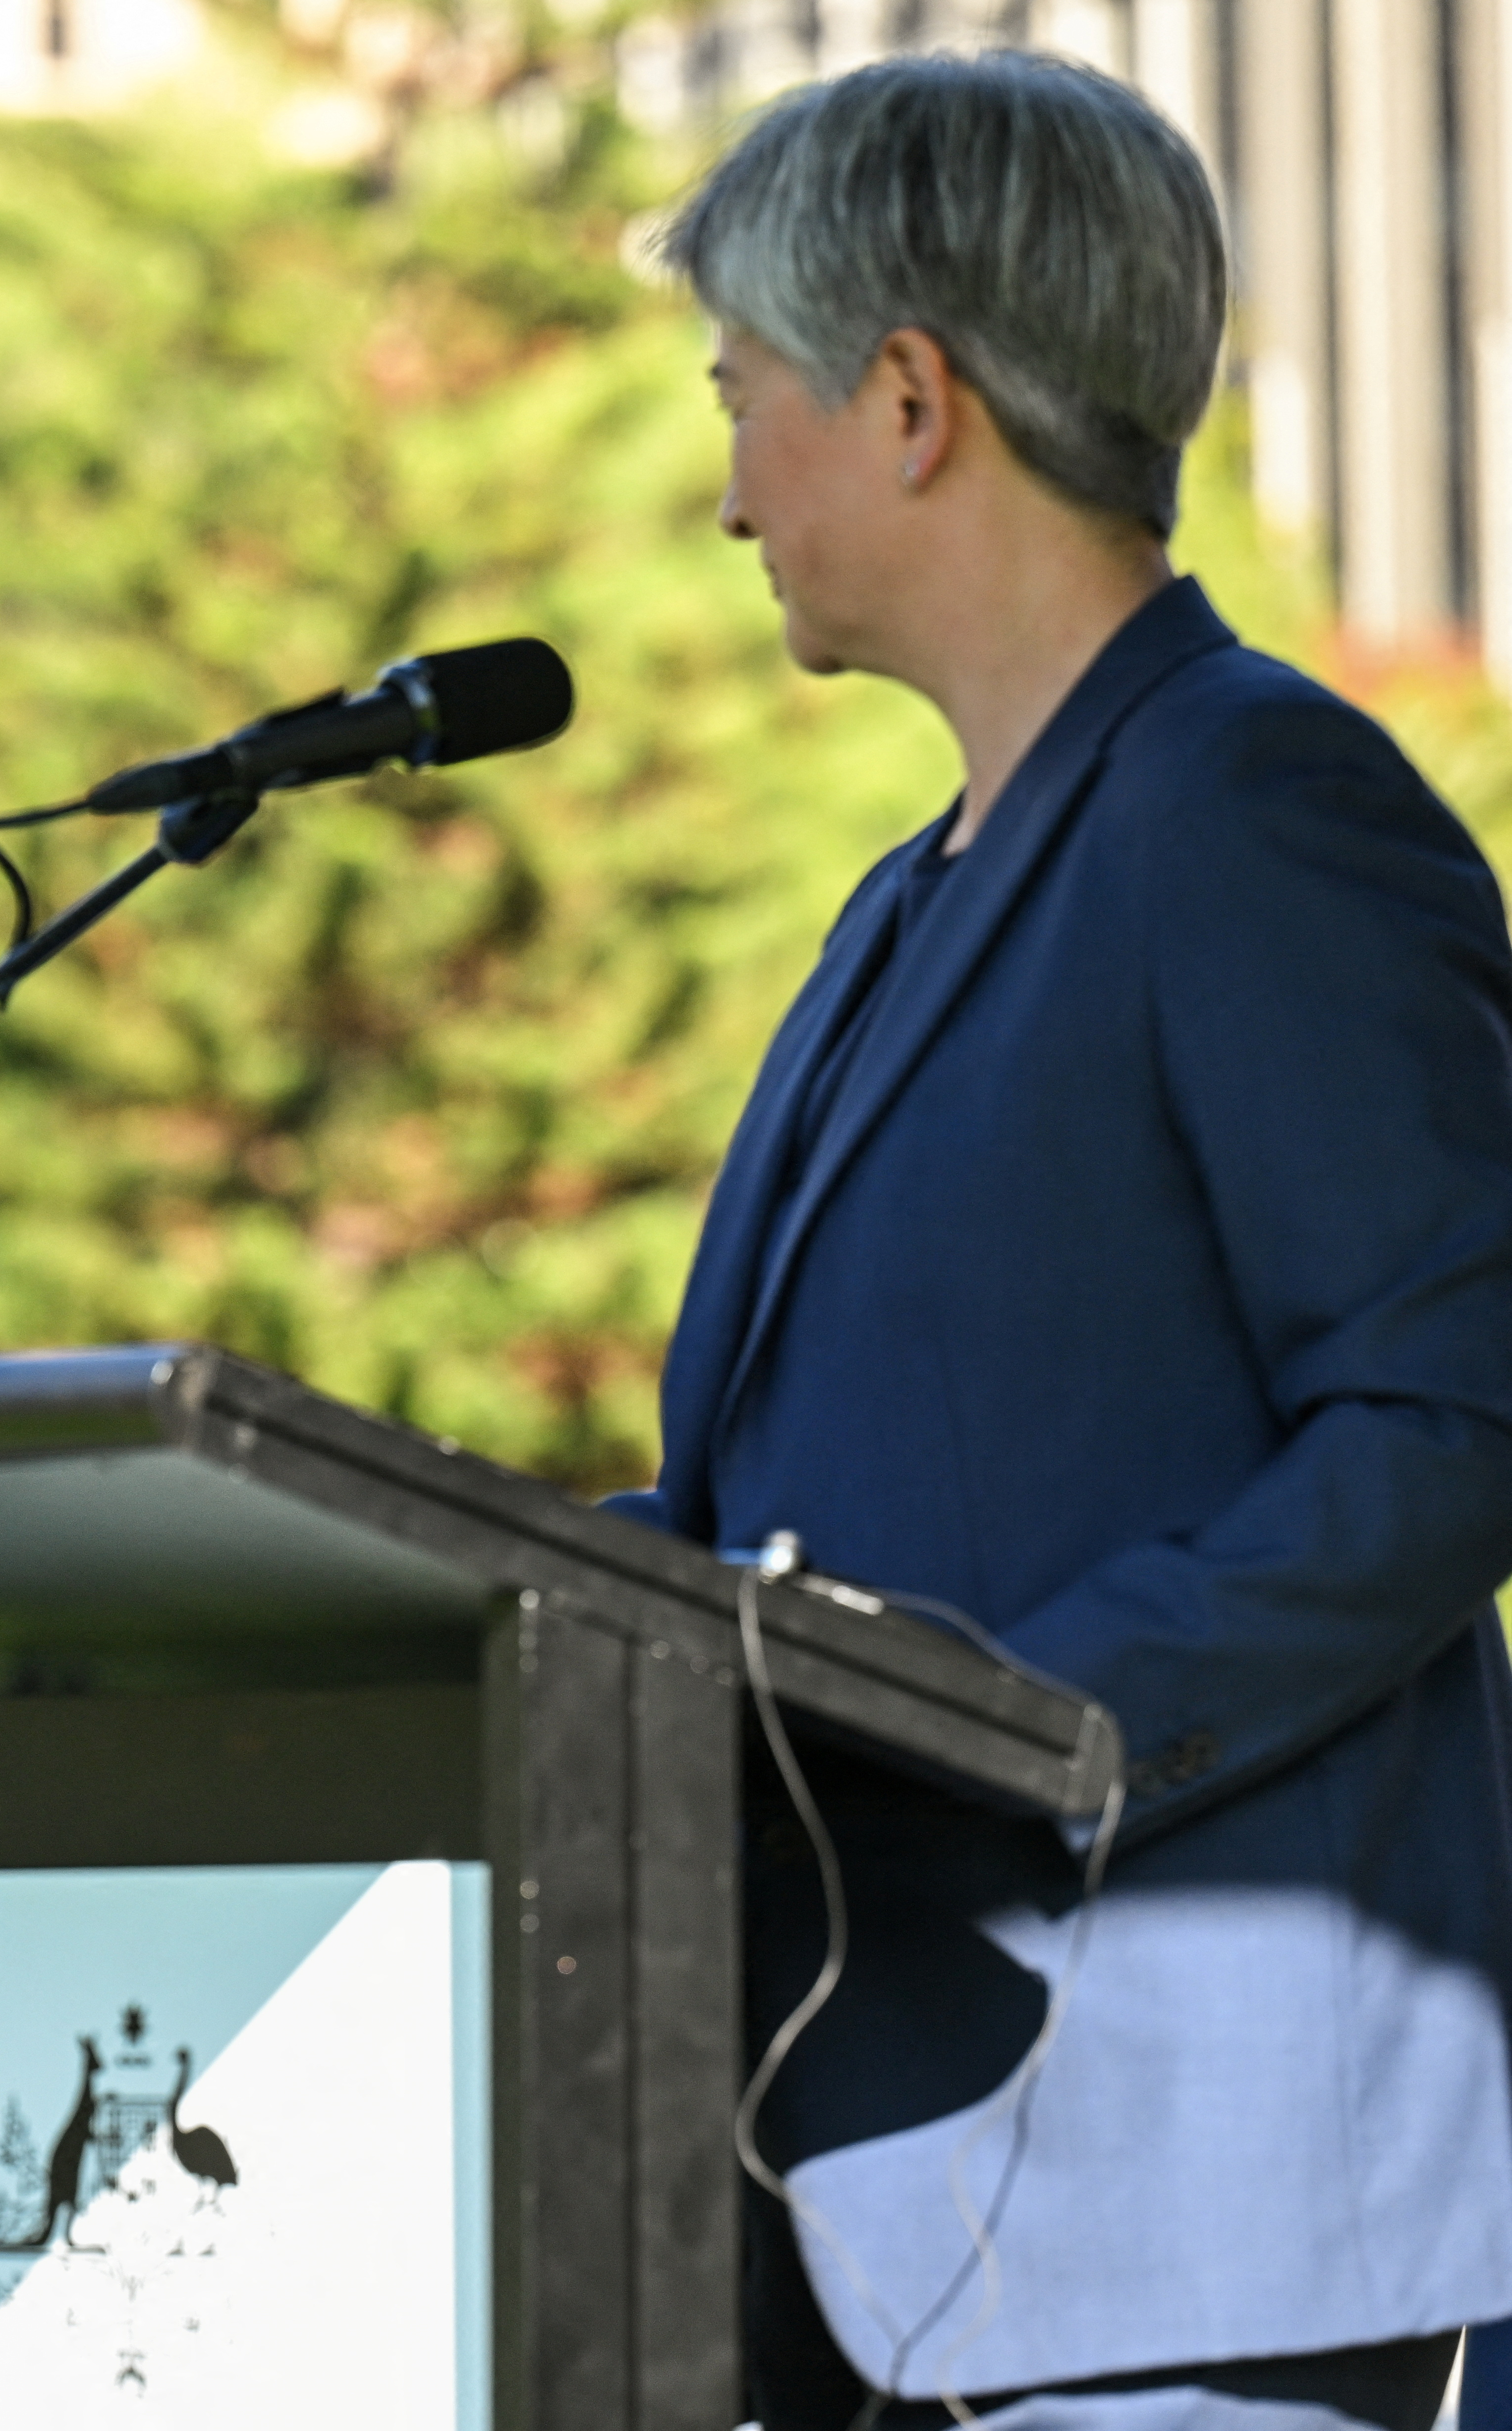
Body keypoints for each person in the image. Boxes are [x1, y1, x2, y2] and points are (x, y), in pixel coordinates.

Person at [621, 54, 1512, 2431]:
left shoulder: (1262, 809)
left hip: (1186, 2237)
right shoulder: (892, 917)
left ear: (910, 399)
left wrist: (1019, 1719)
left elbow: (1453, 1419)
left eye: (747, 403)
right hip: (859, 2218)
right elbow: (784, 1517)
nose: (729, 497)